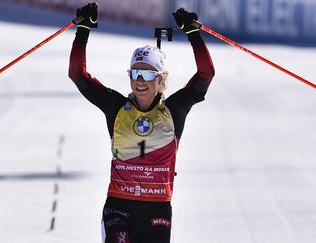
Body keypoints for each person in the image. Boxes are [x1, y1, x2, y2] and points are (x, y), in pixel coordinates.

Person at [68, 3, 215, 243]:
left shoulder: (174, 110)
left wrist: (193, 34)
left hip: (157, 210)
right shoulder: (115, 107)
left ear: (160, 79)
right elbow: (78, 75)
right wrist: (83, 29)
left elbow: (205, 75)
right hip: (118, 207)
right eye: (135, 73)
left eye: (147, 74)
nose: (140, 81)